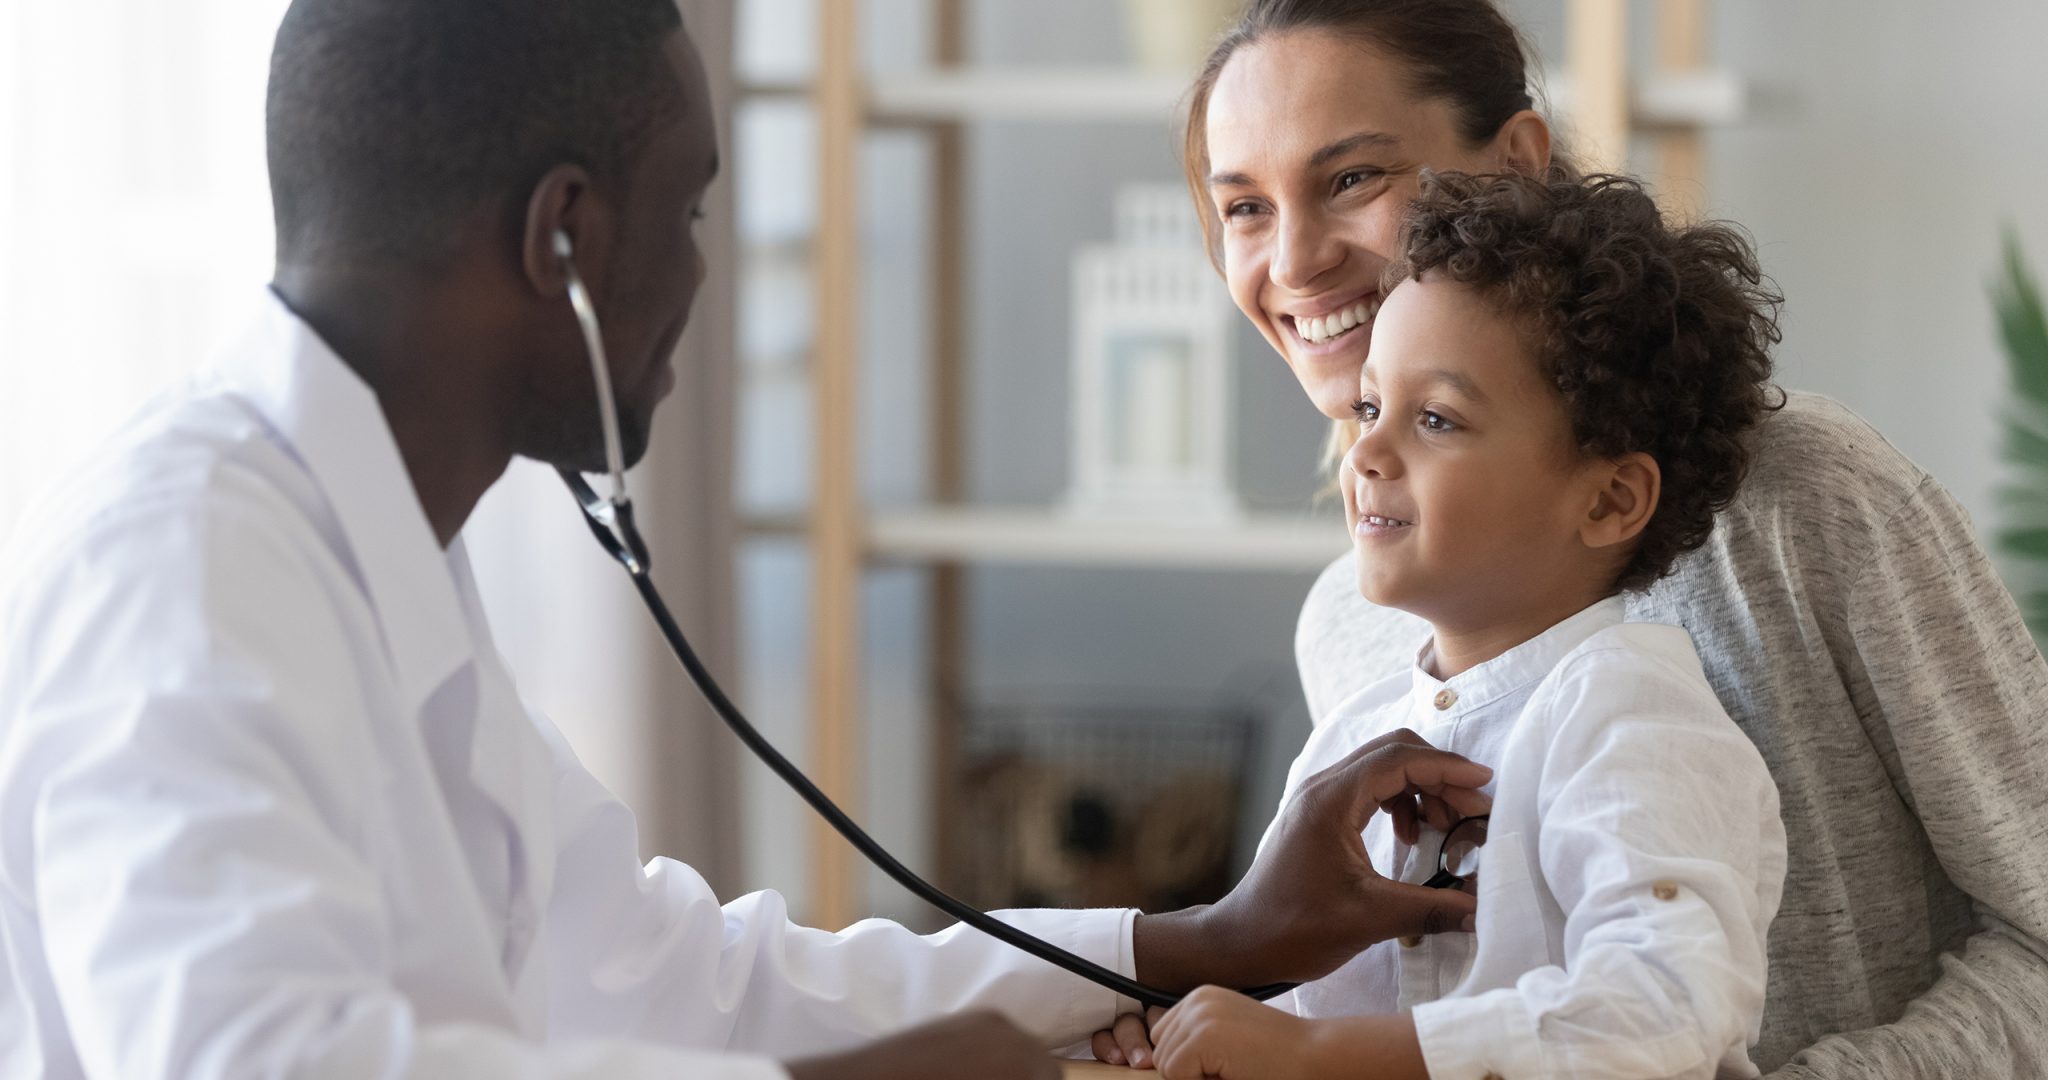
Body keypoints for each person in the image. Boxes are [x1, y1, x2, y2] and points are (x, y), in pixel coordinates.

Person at [0, 2, 1493, 1078]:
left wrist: (1208, 939)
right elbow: (252, 1059)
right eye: (695, 211)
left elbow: (680, 978)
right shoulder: (185, 568)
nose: (706, 277)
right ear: (566, 241)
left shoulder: (377, 554)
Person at [1091, 0, 2048, 1075]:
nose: (1297, 259)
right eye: (1244, 207)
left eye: (1351, 178)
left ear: (1512, 166)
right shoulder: (1360, 628)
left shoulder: (1807, 500)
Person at [1156, 167, 1792, 1079]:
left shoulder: (1632, 718)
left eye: (1438, 420)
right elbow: (1284, 1008)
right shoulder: (1355, 736)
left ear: (1611, 498)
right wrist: (1194, 1030)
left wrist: (1316, 1053)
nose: (1367, 451)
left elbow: (1665, 1004)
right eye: (1372, 406)